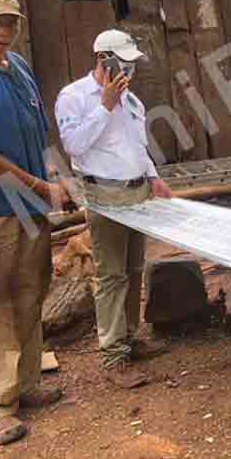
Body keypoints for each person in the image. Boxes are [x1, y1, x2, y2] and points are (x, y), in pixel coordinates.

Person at [0, 0, 70, 445]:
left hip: (28, 207)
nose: (4, 31)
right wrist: (40, 187)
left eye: (11, 22)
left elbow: (36, 133)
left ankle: (25, 384)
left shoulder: (19, 67)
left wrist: (56, 178)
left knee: (29, 294)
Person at [55, 29, 172, 389]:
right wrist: (104, 105)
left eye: (132, 64)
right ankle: (112, 355)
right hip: (104, 196)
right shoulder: (74, 97)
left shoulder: (132, 101)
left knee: (134, 268)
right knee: (110, 276)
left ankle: (130, 337)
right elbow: (74, 145)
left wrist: (153, 177)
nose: (129, 70)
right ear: (102, 58)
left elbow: (138, 146)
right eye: (123, 63)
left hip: (137, 194)